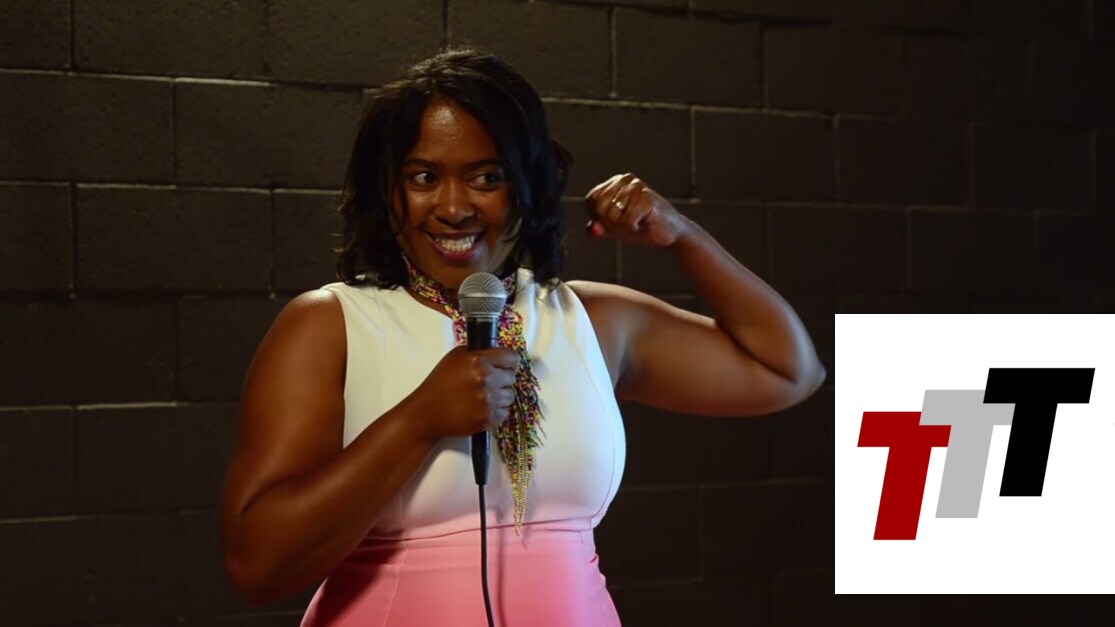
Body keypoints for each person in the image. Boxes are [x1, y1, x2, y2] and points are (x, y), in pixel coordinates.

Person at [219, 48, 825, 626]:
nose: (453, 207)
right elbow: (256, 564)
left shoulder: (588, 319)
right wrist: (418, 421)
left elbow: (788, 371)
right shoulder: (331, 324)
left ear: (526, 185)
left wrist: (683, 237)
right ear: (388, 190)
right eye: (423, 177)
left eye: (486, 177)